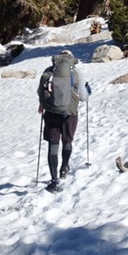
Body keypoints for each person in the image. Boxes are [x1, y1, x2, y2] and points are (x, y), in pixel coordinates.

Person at [37, 49, 90, 192]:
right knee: (67, 142)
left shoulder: (49, 71)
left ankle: (54, 181)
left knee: (53, 146)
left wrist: (43, 104)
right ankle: (64, 168)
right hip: (70, 114)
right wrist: (87, 91)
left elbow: (40, 92)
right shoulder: (76, 73)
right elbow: (83, 97)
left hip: (51, 113)